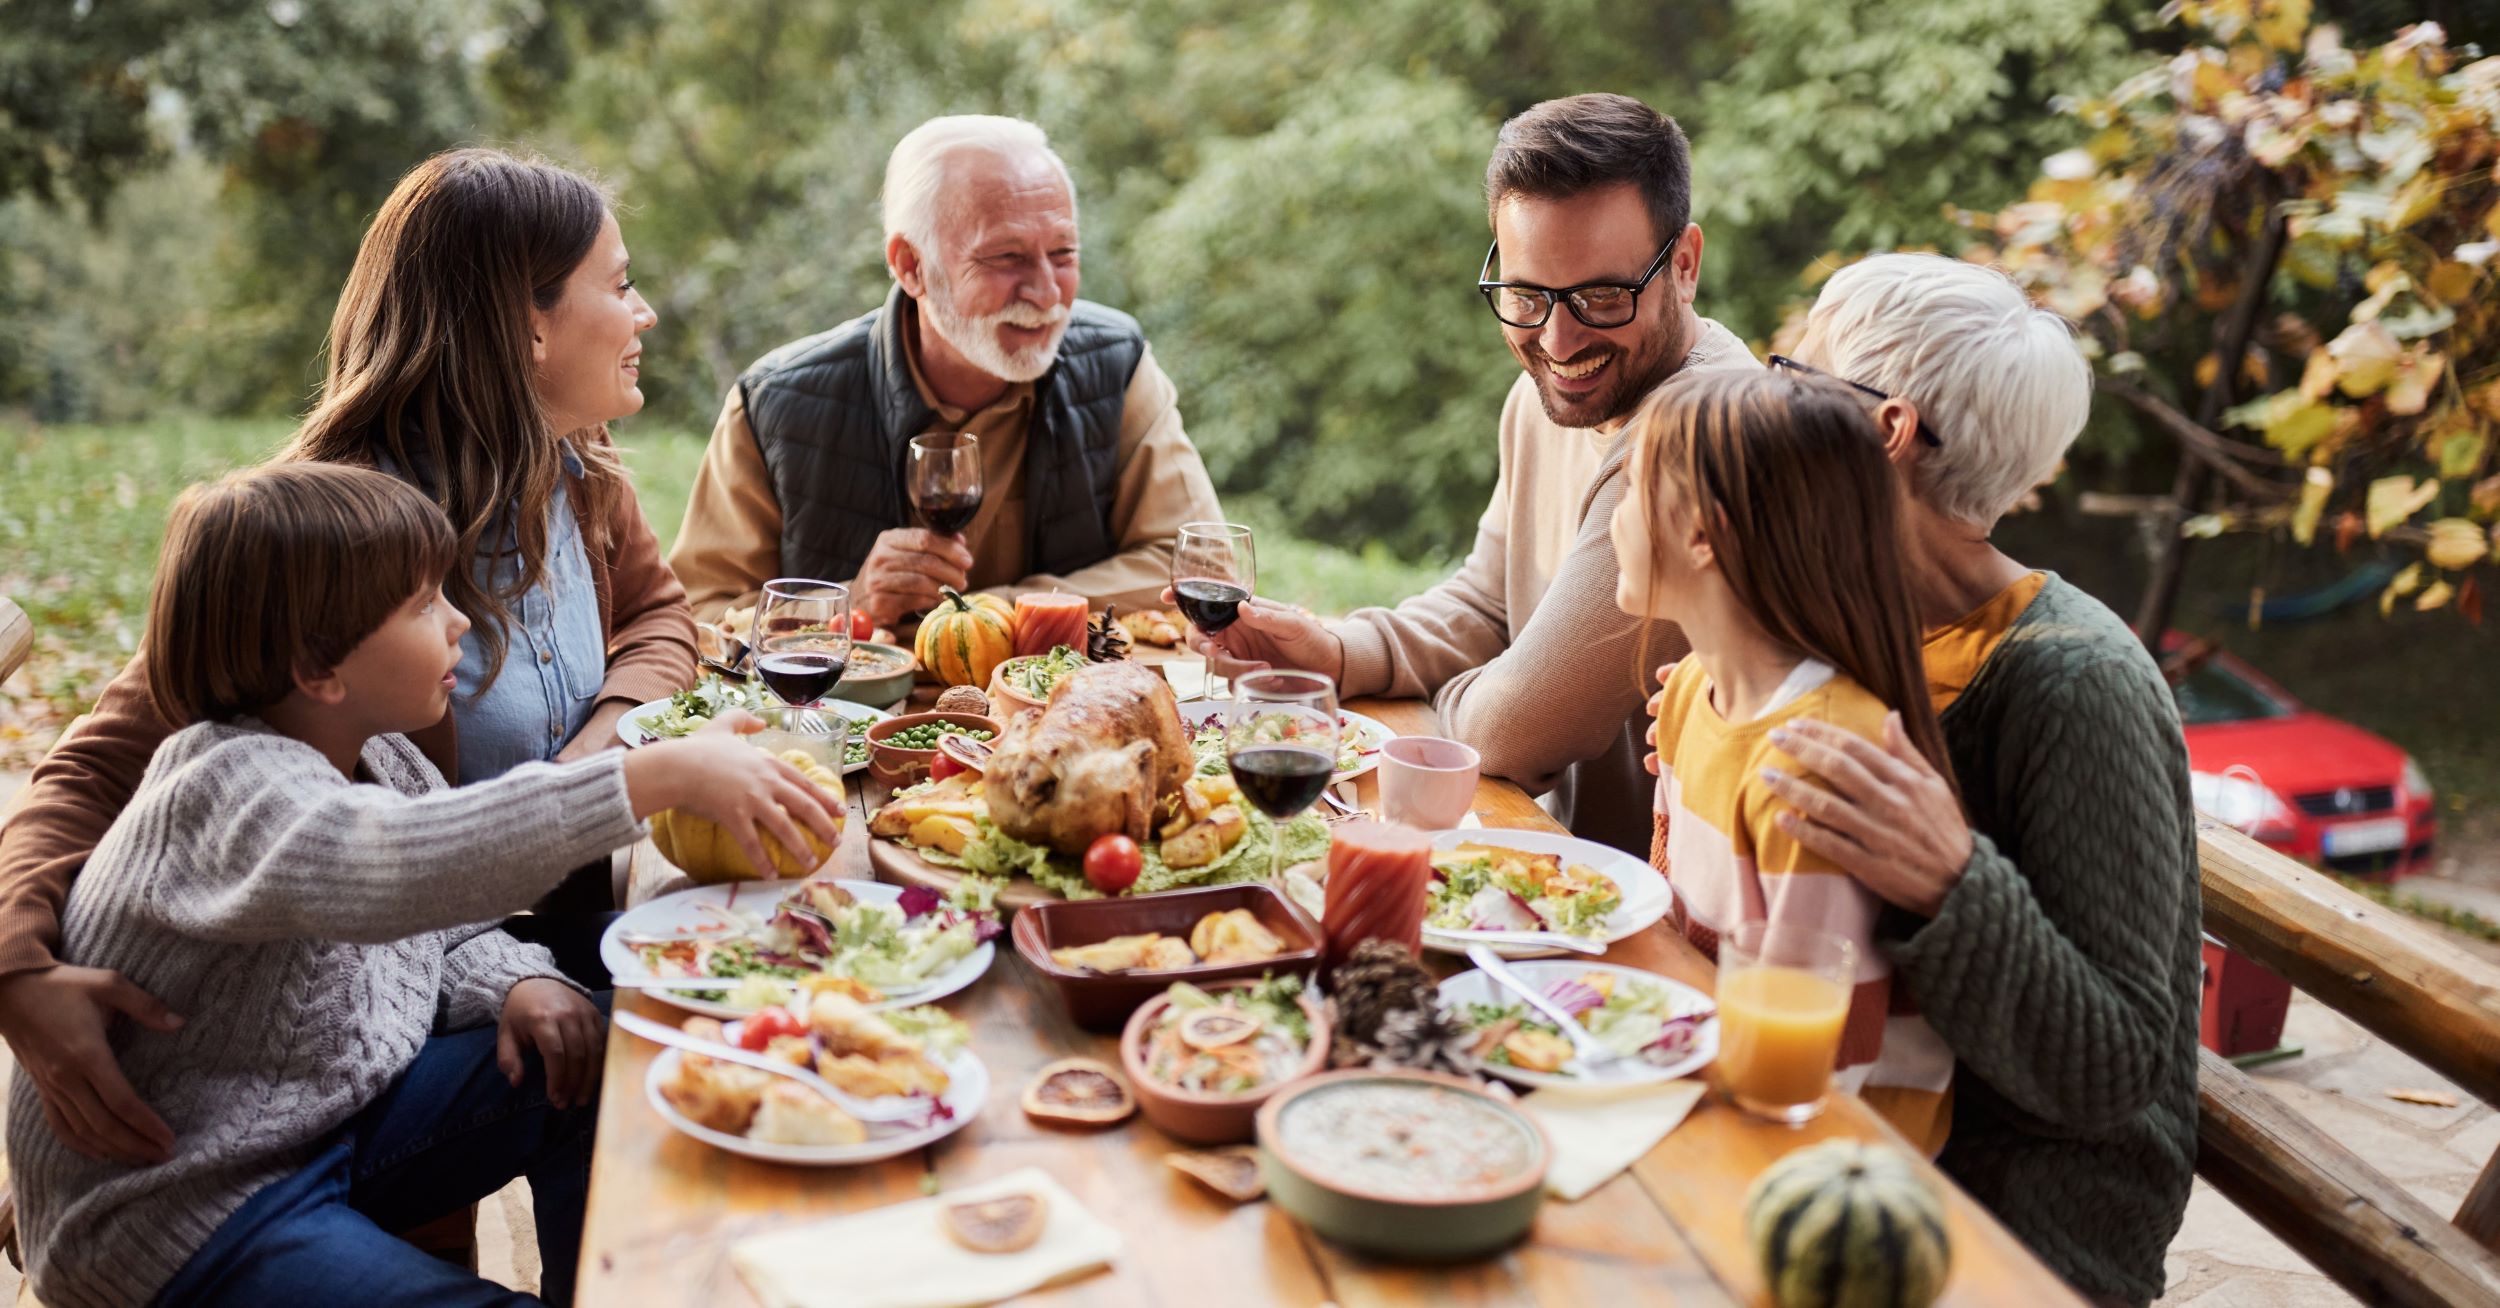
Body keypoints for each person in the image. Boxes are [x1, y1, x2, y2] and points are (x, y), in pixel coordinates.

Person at [0, 147, 696, 1168]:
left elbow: (663, 620)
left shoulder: (578, 471)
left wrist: (596, 748)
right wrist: (15, 973)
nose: (643, 316)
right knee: (638, 1073)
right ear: (526, 323)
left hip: (549, 923)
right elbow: (99, 765)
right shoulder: (330, 536)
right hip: (366, 993)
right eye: (622, 285)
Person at [6, 462, 842, 1308]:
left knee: (597, 1045)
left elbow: (442, 921)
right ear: (317, 668)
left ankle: (608, 1287)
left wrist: (513, 980)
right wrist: (651, 780)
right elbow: (405, 863)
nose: (458, 624)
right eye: (423, 605)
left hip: (322, 1118)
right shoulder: (229, 789)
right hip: (184, 1204)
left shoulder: (383, 753)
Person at [1649, 254, 2200, 1307]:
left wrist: (1953, 877)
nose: (1769, 397)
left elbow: (2118, 1062)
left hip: (1999, 1223)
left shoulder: (2077, 682)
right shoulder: (1843, 624)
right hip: (1833, 1138)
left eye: (1793, 372)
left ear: (1883, 431)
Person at [1183, 93, 1754, 855]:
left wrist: (1432, 704)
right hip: (1543, 864)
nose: (1557, 338)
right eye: (1525, 295)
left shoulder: (1702, 433)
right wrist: (1342, 653)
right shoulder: (1553, 394)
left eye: (1600, 296)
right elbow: (1490, 601)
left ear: (1683, 266)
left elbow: (1515, 732)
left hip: (1647, 919)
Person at [667, 114, 1225, 628]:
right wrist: (848, 602)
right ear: (911, 266)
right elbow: (698, 612)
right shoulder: (777, 402)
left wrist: (997, 611)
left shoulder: (1117, 363)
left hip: (1061, 718)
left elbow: (1202, 566)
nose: (1048, 293)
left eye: (1063, 254)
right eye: (1006, 258)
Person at [1615, 368, 1956, 1149]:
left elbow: (1821, 1070)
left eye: (1633, 491)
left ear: (1704, 534)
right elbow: (1668, 920)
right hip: (1711, 1058)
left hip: (1829, 1146)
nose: (1615, 521)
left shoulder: (1813, 766)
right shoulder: (1692, 689)